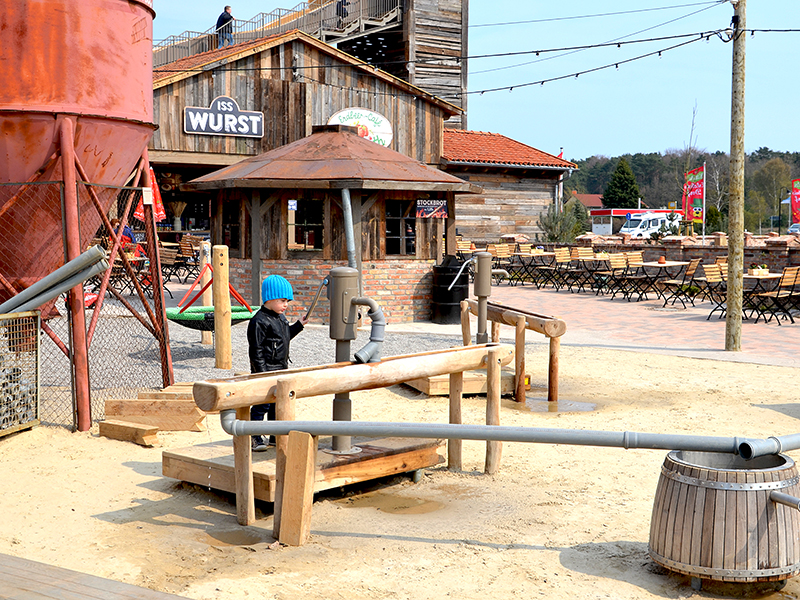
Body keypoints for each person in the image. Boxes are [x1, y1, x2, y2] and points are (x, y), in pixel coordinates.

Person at [247, 275, 308, 451]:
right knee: (262, 404)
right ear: (270, 298)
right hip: (265, 370)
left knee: (277, 403)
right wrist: (263, 373)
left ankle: (275, 435)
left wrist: (299, 325)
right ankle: (254, 436)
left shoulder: (280, 318)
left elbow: (284, 337)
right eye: (282, 300)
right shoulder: (259, 321)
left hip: (281, 368)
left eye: (287, 301)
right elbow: (256, 351)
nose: (286, 305)